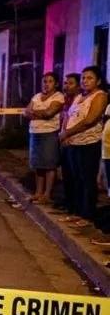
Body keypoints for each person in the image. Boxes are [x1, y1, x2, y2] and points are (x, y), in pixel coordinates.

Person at [60, 66, 108, 228]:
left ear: (98, 81)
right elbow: (69, 116)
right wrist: (65, 133)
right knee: (76, 179)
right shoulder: (79, 96)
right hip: (73, 143)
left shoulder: (100, 96)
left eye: (90, 78)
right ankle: (77, 211)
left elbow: (90, 120)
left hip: (89, 143)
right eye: (83, 78)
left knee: (87, 180)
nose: (85, 81)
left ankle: (87, 214)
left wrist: (67, 133)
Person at [23, 73, 65, 204]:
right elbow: (26, 112)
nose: (46, 84)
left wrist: (34, 112)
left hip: (49, 133)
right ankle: (38, 192)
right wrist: (40, 113)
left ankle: (47, 194)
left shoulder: (58, 97)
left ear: (56, 84)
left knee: (49, 165)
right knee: (38, 165)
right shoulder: (37, 96)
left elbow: (49, 113)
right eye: (45, 81)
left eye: (50, 81)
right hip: (34, 132)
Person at [53, 73, 83, 213]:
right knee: (66, 174)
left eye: (70, 83)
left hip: (74, 140)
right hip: (64, 139)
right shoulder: (66, 100)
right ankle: (68, 201)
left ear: (78, 86)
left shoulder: (80, 100)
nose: (66, 86)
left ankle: (76, 205)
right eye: (65, 83)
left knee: (75, 175)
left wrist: (67, 135)